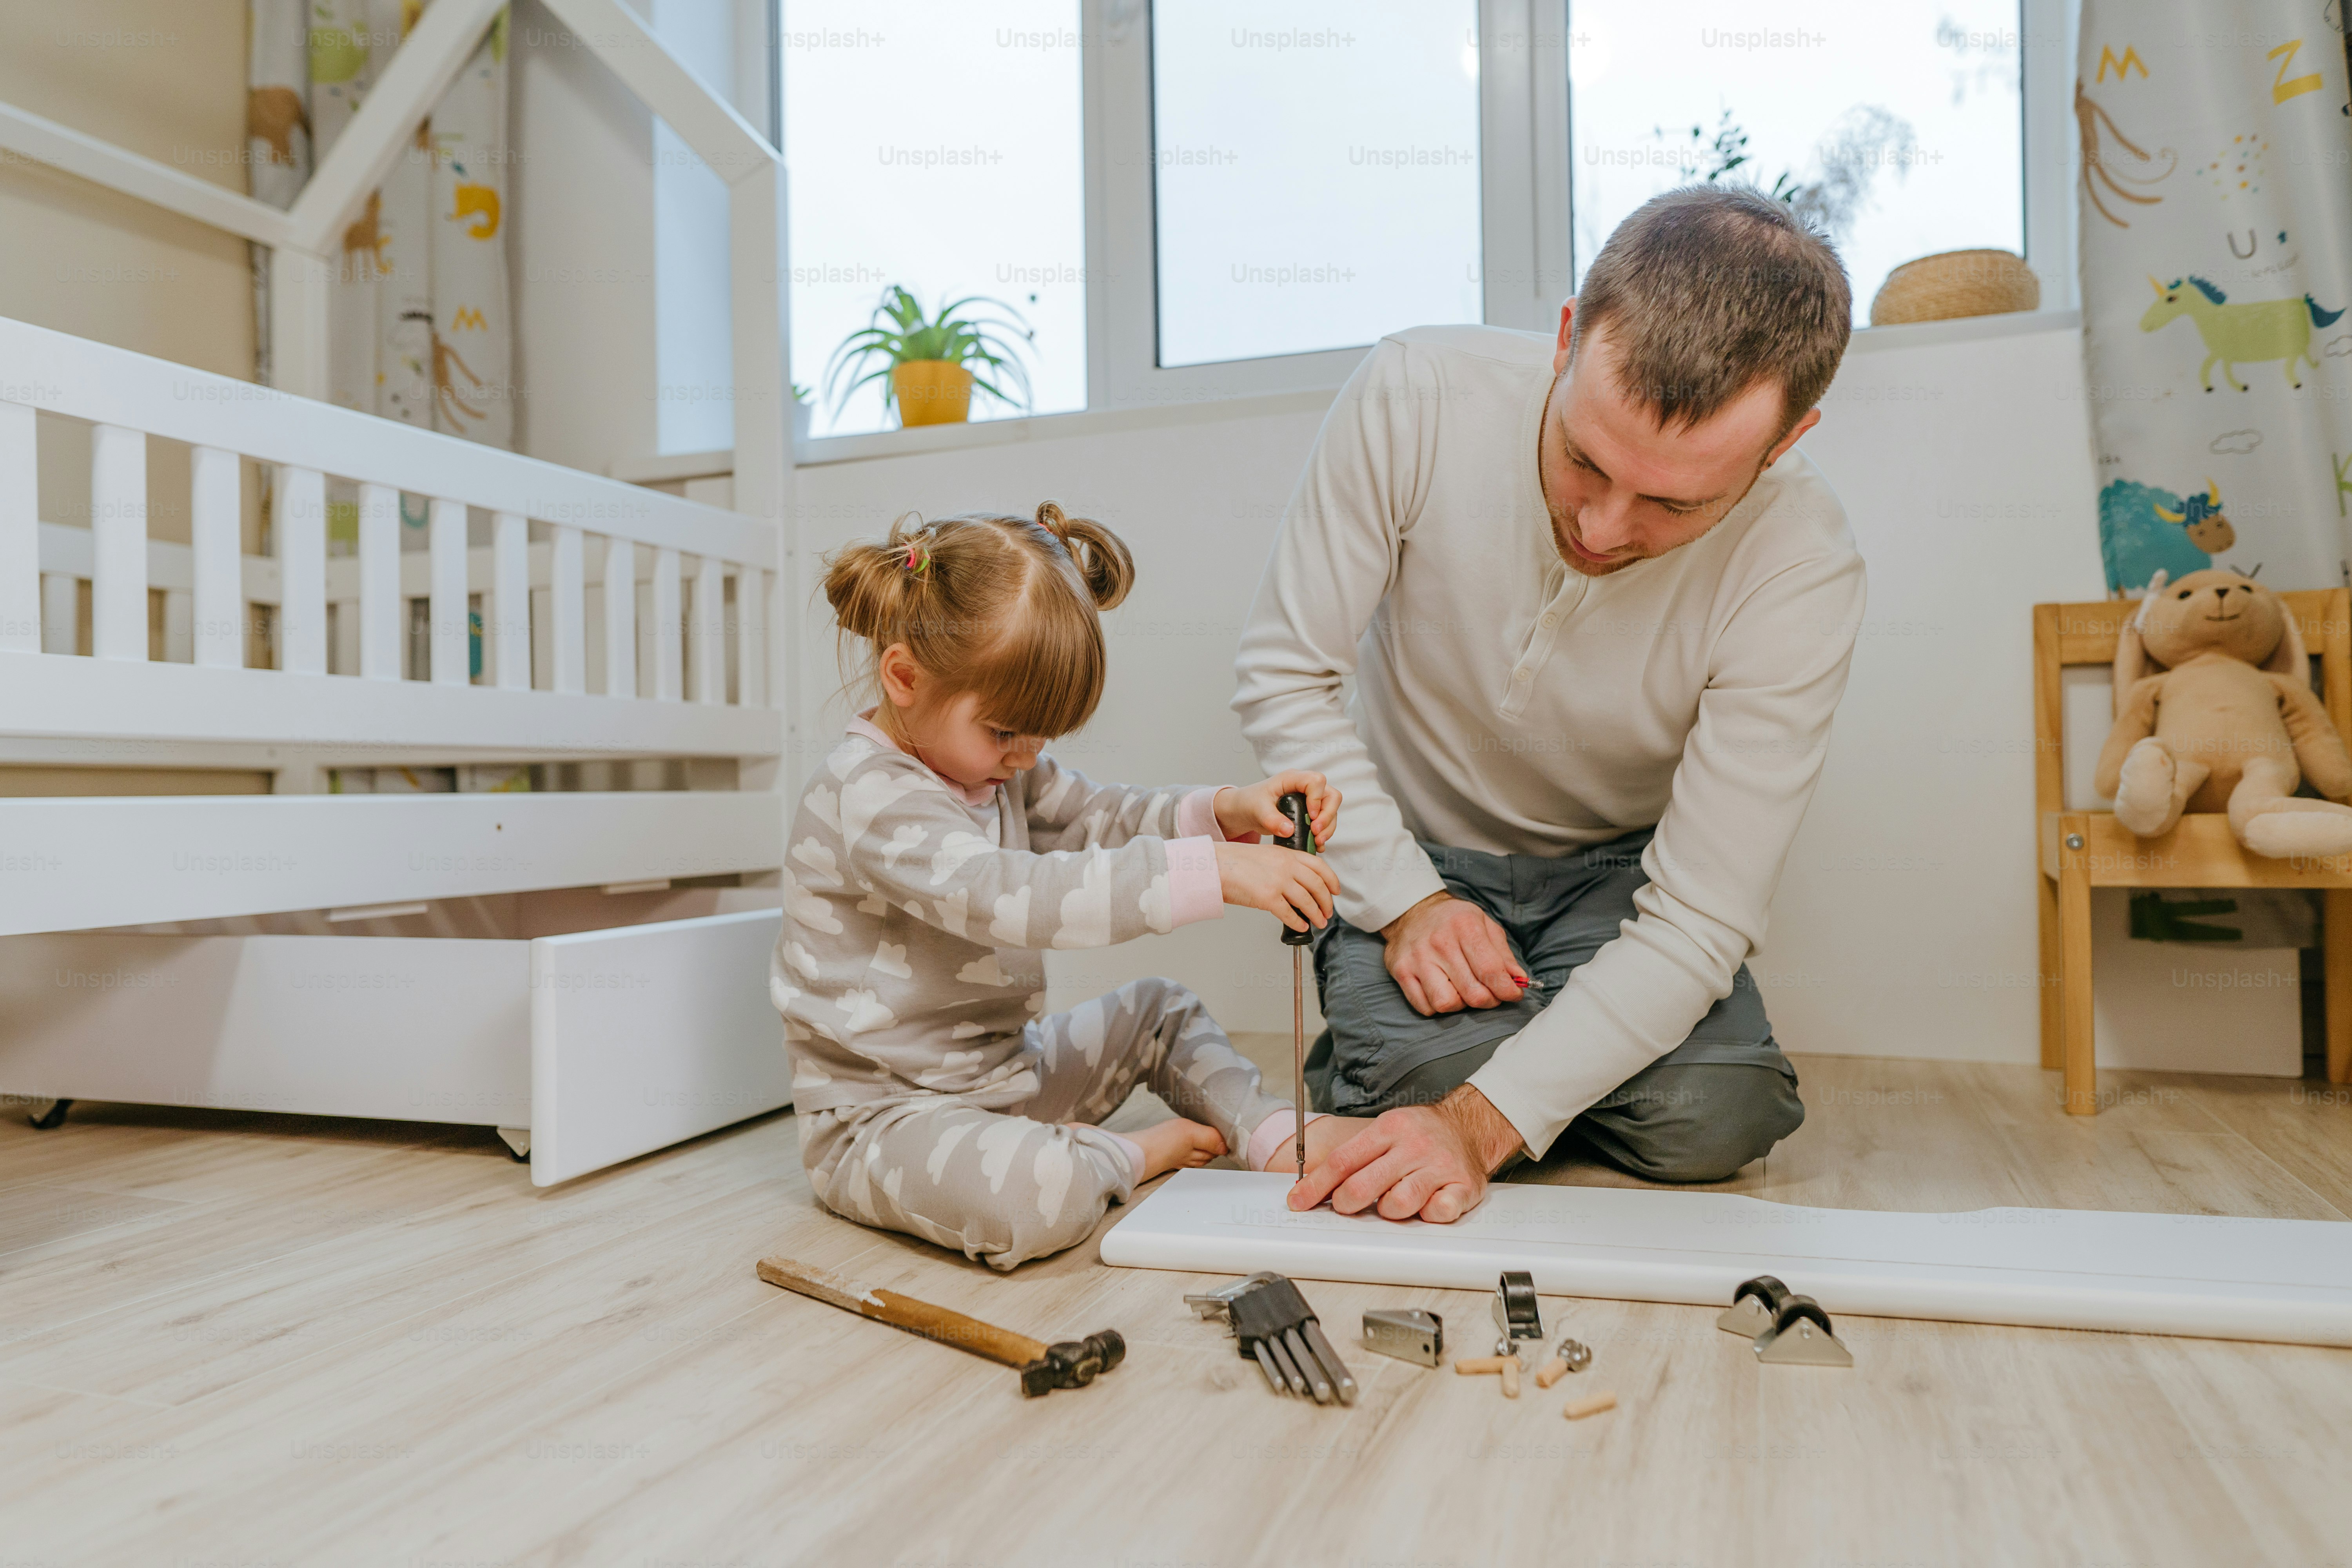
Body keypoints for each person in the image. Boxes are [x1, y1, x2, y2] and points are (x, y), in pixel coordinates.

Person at [1234, 185, 1867, 1224]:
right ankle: (1416, 1035)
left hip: (1614, 883)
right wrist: (1406, 903)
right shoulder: (1414, 393)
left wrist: (1478, 1124)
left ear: (1785, 444)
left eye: (1674, 503)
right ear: (1569, 339)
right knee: (1433, 1083)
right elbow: (1283, 672)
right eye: (1585, 460)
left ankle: (1429, 1062)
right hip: (1411, 846)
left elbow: (1701, 914)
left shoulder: (1805, 565)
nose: (1606, 528)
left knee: (1722, 1115)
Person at [777, 501, 1363, 1269]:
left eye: (1039, 735)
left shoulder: (994, 766)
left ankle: (1269, 1131)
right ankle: (1112, 1158)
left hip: (1005, 1073)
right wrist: (1212, 874)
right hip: (886, 1119)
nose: (1025, 757)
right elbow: (1008, 893)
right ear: (904, 677)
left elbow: (1100, 816)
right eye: (1005, 732)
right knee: (1032, 1194)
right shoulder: (871, 794)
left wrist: (1224, 813)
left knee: (1162, 1009)